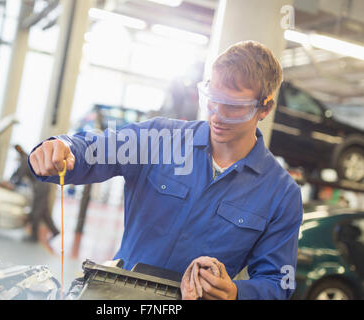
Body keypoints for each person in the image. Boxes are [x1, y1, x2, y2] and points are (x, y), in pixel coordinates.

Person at [28, 41, 303, 300]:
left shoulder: (281, 194)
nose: (217, 115)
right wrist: (62, 148)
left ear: (264, 107)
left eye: (232, 107)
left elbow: (279, 283)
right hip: (119, 297)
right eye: (212, 99)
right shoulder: (159, 139)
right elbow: (93, 151)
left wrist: (235, 293)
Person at [11, 144, 60, 245]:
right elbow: (17, 172)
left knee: (36, 212)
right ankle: (55, 231)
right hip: (44, 185)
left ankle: (34, 237)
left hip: (40, 186)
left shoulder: (25, 159)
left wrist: (13, 183)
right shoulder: (27, 157)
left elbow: (20, 173)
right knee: (44, 211)